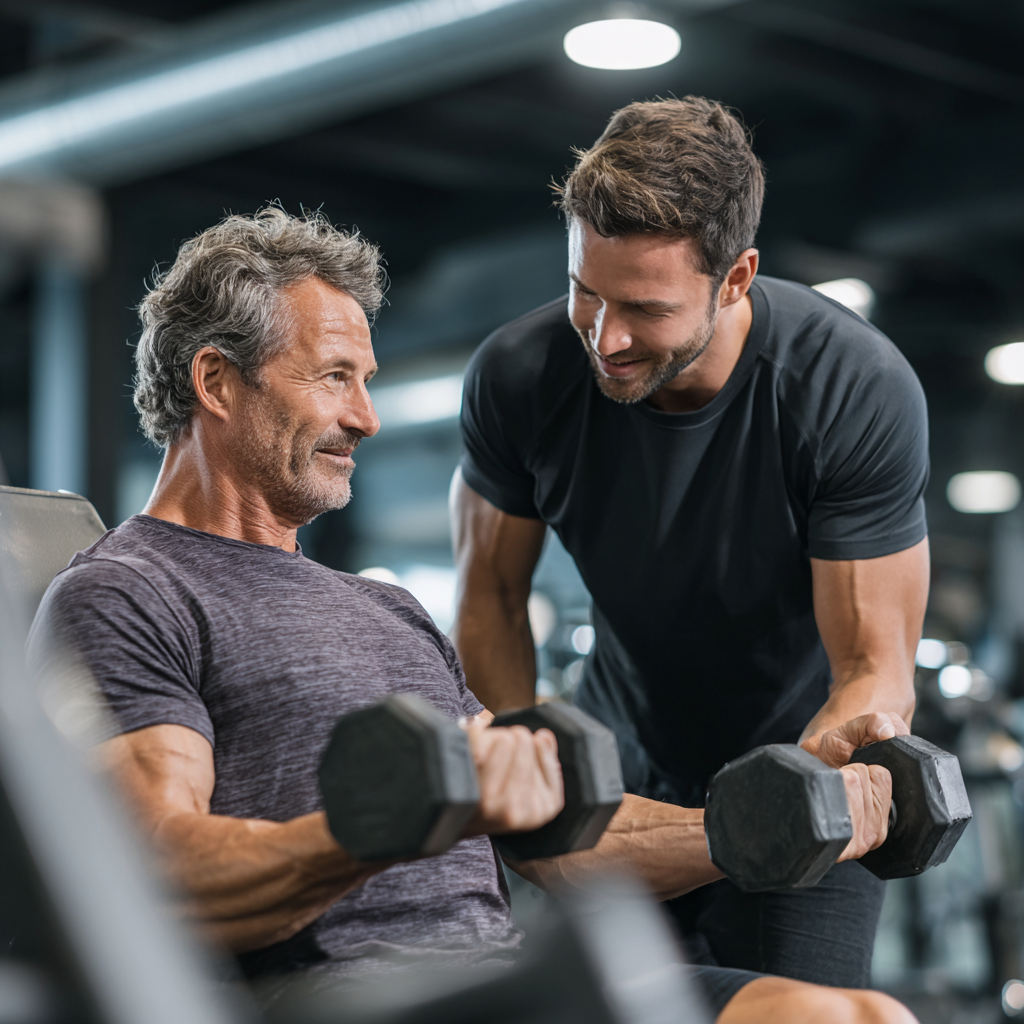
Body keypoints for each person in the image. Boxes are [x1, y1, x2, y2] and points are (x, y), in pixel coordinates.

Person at [28, 208, 913, 1024]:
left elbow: (555, 840)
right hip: (345, 993)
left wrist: (761, 822)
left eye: (366, 382)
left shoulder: (389, 610)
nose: (366, 418)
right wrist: (375, 827)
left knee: (858, 1017)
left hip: (496, 974)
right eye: (335, 378)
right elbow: (157, 870)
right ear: (217, 381)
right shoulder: (129, 593)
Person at [451, 95, 929, 987]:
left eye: (644, 307)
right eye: (585, 292)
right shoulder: (520, 377)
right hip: (619, 778)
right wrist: (522, 774)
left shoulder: (849, 387)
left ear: (736, 278)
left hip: (801, 766)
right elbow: (489, 598)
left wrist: (786, 804)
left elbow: (873, 667)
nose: (605, 337)